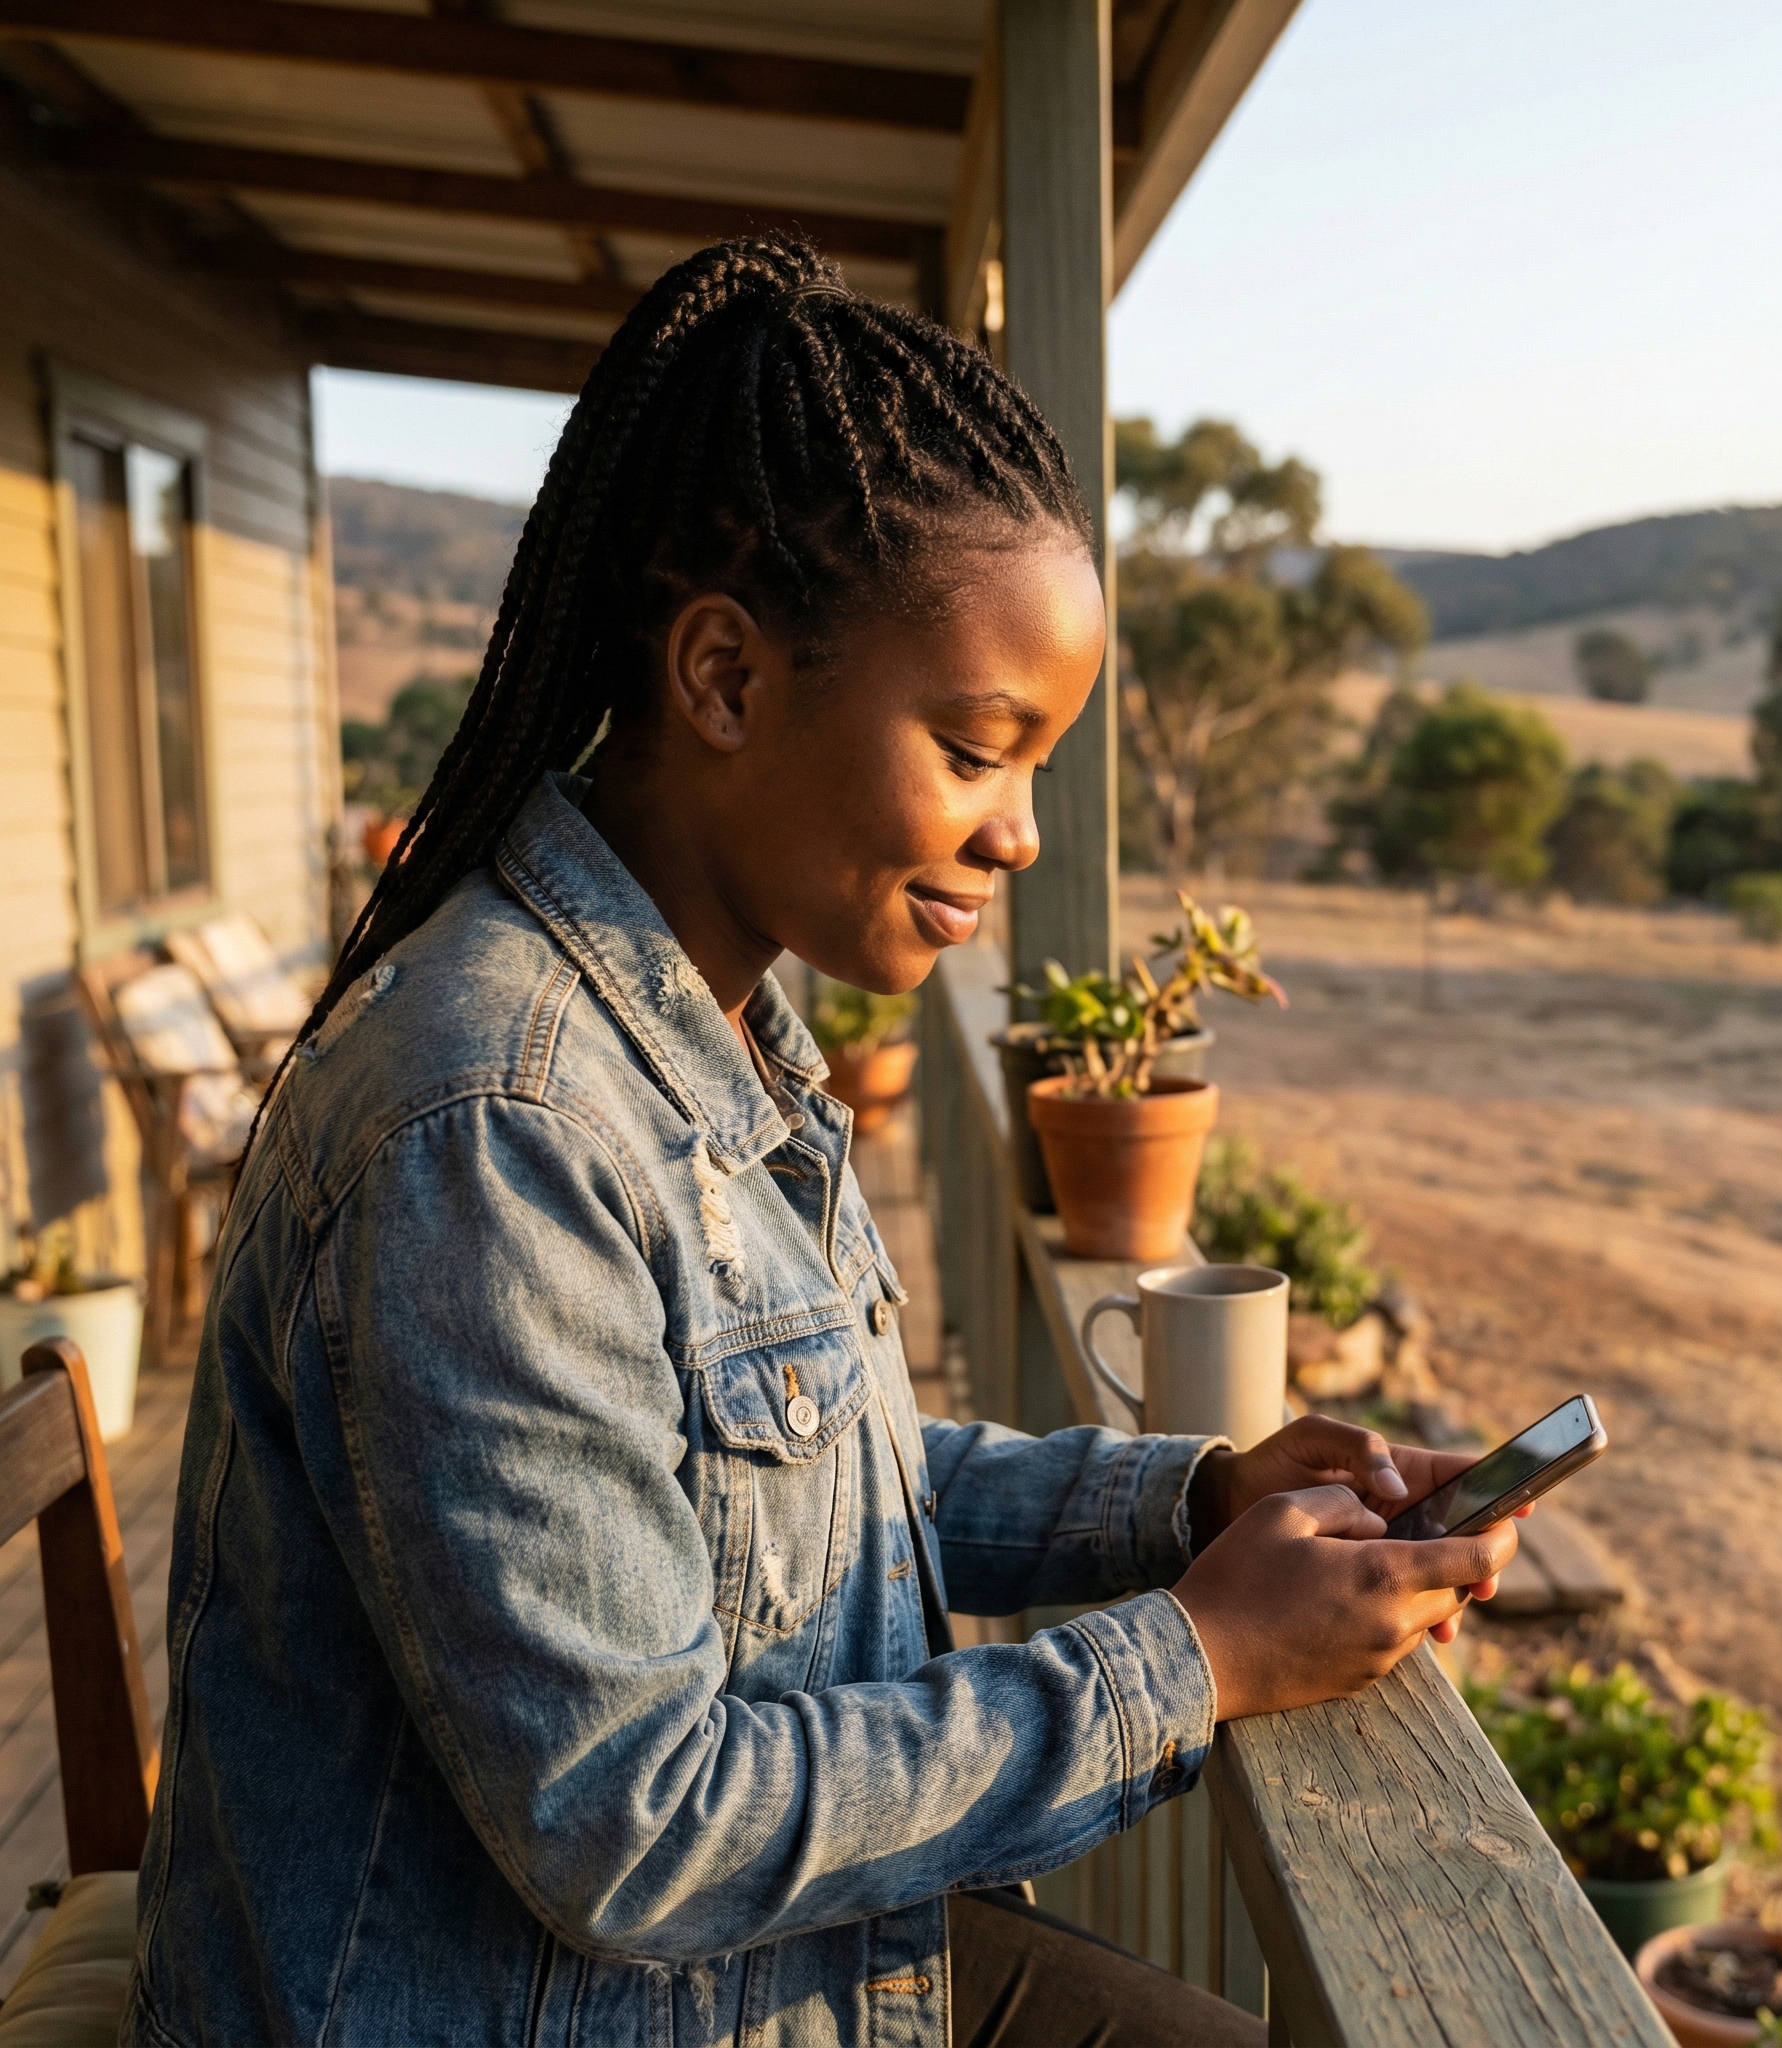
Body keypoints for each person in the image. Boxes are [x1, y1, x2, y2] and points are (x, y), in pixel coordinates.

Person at [125, 238, 1517, 2048]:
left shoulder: (718, 1024)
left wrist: (1194, 1503)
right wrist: (1202, 1661)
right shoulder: (491, 1129)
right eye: (976, 747)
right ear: (723, 678)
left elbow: (815, 1481)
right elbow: (633, 1823)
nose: (1017, 836)